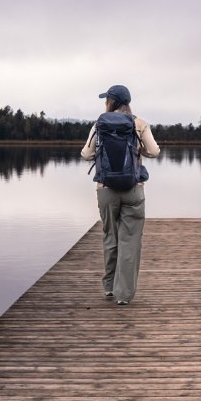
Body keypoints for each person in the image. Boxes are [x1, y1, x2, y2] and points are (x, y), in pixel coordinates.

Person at [81, 84, 160, 305]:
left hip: (105, 190)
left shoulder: (100, 124)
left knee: (110, 236)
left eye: (106, 99)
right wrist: (138, 149)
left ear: (111, 102)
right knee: (130, 241)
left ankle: (108, 287)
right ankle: (123, 295)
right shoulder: (139, 123)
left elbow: (86, 154)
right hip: (133, 189)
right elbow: (154, 151)